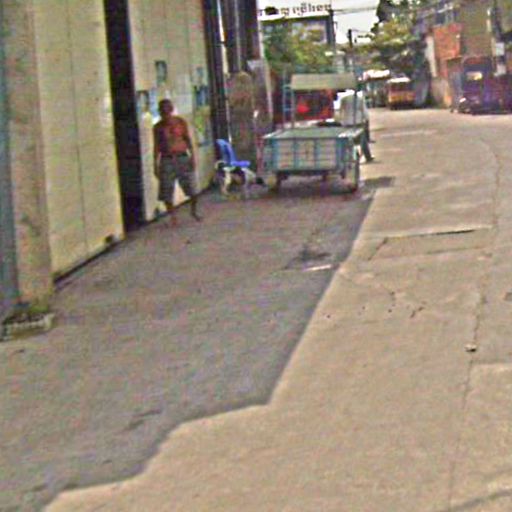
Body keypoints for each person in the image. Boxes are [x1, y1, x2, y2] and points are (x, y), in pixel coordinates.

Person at [153, 99, 202, 226]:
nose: (165, 114)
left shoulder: (180, 122)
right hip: (167, 159)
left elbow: (188, 139)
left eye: (167, 111)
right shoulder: (158, 127)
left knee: (192, 188)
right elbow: (156, 146)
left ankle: (193, 211)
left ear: (171, 110)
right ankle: (172, 216)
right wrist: (155, 164)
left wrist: (193, 157)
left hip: (182, 157)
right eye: (162, 112)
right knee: (166, 190)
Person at [336, 89, 374, 162]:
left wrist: (340, 121)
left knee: (349, 141)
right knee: (363, 140)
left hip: (347, 122)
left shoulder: (344, 99)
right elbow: (364, 110)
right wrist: (366, 119)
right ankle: (367, 156)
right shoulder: (359, 99)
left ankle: (351, 156)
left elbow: (340, 111)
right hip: (358, 122)